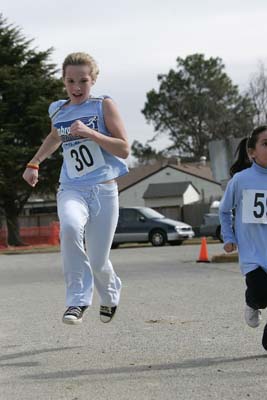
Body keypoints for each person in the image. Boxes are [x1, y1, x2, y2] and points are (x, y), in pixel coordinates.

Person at [23, 52, 129, 325]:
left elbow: (124, 149)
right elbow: (55, 137)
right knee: (69, 228)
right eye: (70, 80)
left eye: (83, 80)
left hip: (104, 190)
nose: (76, 87)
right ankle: (77, 301)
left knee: (98, 259)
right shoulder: (58, 110)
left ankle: (110, 293)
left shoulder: (103, 105)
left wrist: (92, 133)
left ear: (93, 80)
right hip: (72, 187)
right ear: (64, 81)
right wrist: (34, 162)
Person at [219, 125, 267, 350]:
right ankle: (252, 302)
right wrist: (228, 237)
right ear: (251, 152)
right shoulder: (240, 180)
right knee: (261, 293)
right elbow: (224, 210)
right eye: (265, 144)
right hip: (253, 255)